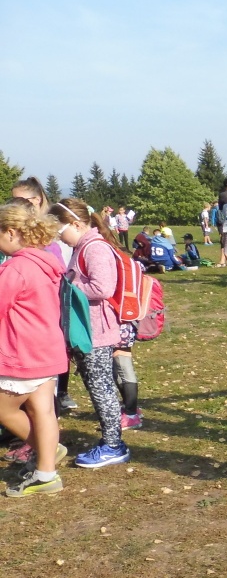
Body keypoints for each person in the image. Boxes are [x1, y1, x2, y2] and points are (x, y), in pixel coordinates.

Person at [52, 198, 129, 468]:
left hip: (97, 332)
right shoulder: (83, 247)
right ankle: (112, 441)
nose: (59, 238)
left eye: (60, 231)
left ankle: (113, 445)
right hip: (89, 330)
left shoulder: (94, 248)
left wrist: (65, 288)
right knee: (98, 386)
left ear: (76, 224)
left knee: (101, 388)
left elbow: (103, 288)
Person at [0, 202, 69, 495]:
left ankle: (46, 450)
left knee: (4, 410)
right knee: (43, 412)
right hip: (48, 349)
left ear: (10, 232)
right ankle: (46, 473)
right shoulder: (45, 263)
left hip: (22, 352)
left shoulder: (15, 268)